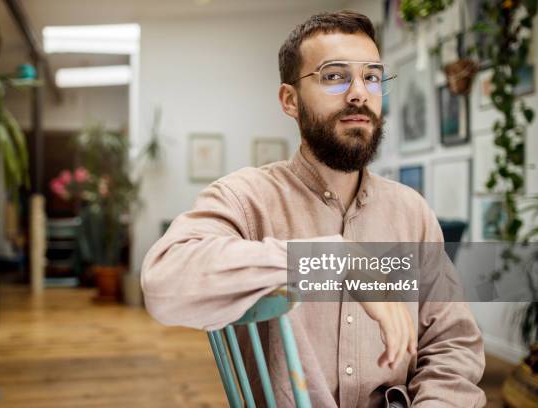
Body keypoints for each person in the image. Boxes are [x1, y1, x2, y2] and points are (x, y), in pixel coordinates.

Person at [141, 10, 485, 407]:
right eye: (334, 76)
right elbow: (163, 282)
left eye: (371, 76)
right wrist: (331, 258)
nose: (359, 93)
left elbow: (452, 344)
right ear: (290, 100)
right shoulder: (245, 198)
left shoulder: (412, 212)